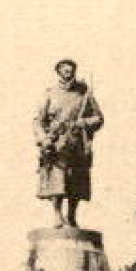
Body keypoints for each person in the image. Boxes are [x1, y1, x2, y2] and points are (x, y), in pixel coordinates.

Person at [33, 59, 104, 228]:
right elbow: (38, 121)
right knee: (57, 179)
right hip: (57, 143)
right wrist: (43, 138)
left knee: (77, 181)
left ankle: (71, 216)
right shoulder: (49, 94)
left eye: (71, 70)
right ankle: (57, 215)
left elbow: (99, 118)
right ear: (58, 72)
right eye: (65, 70)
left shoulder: (84, 94)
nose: (69, 73)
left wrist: (84, 123)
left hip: (77, 142)